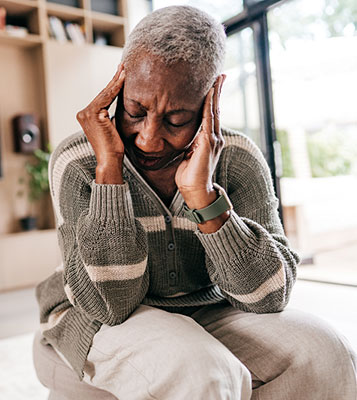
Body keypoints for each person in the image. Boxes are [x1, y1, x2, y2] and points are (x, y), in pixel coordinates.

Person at [33, 5, 357, 400]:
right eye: (136, 111)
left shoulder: (238, 159)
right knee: (202, 371)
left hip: (209, 309)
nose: (148, 139)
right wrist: (109, 172)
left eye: (176, 119)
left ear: (210, 100)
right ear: (118, 84)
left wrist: (204, 199)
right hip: (95, 314)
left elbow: (270, 296)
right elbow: (110, 305)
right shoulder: (79, 161)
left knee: (326, 353)